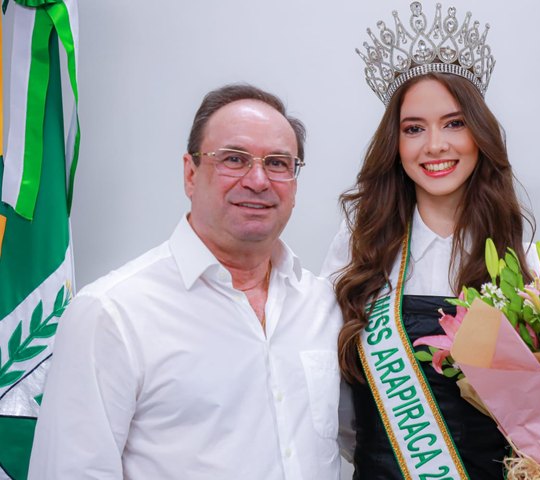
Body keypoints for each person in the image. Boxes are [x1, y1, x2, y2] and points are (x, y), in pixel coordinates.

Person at [322, 2, 540, 479]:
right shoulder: (359, 252)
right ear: (396, 145)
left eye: (454, 123)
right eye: (414, 129)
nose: (435, 145)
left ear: (480, 135)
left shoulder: (532, 266)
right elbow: (336, 409)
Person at [29, 84, 344, 479]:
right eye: (234, 159)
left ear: (294, 182)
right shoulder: (111, 314)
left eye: (278, 163)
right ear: (190, 174)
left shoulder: (323, 306)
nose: (258, 180)